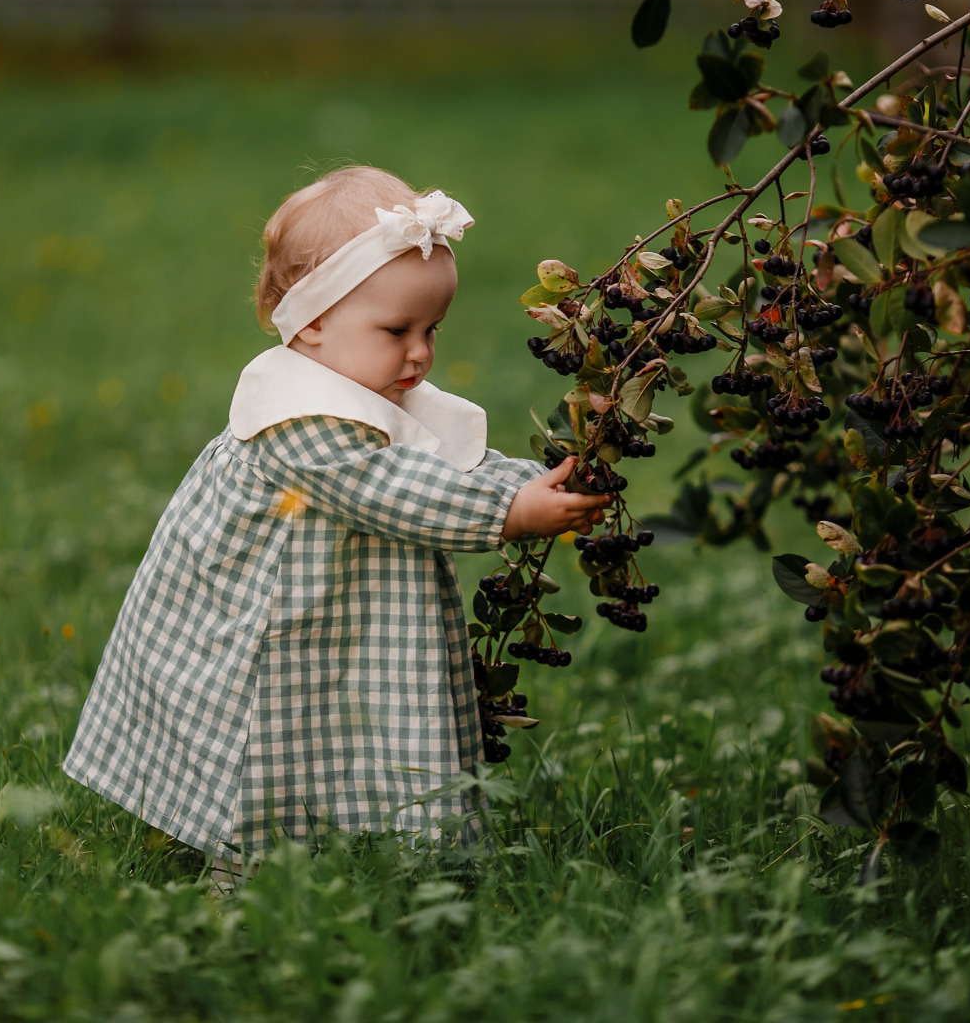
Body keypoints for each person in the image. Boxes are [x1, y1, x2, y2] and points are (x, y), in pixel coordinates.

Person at [63, 166, 608, 887]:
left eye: (431, 329)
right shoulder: (296, 416)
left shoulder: (368, 383)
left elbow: (445, 465)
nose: (420, 352)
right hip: (275, 624)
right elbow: (392, 488)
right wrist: (509, 515)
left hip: (345, 610)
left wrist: (538, 481)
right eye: (397, 330)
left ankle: (380, 858)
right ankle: (245, 875)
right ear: (312, 322)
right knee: (277, 736)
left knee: (352, 722)